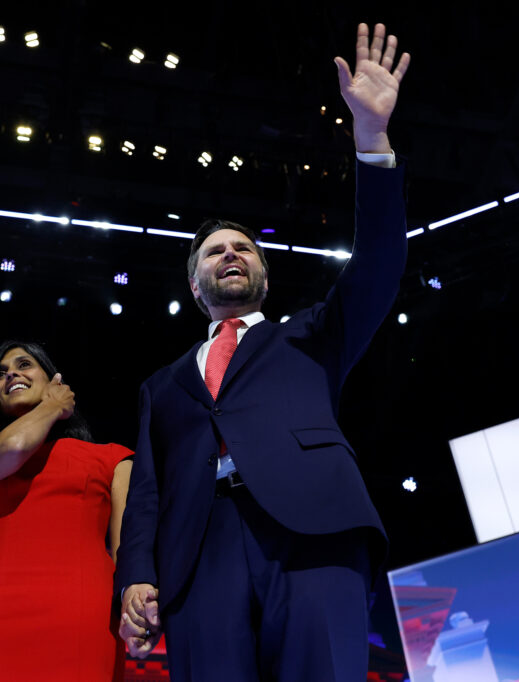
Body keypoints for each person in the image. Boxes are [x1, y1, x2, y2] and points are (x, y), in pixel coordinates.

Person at [114, 22, 411, 682]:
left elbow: (381, 262)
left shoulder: (310, 334)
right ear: (195, 286)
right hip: (199, 552)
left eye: (244, 247)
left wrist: (371, 138)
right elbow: (148, 493)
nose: (231, 254)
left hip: (314, 532)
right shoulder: (162, 385)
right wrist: (135, 575)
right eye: (214, 251)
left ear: (265, 277)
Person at [0, 341, 133, 682]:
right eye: (0, 374)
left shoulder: (112, 459)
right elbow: (14, 447)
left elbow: (128, 550)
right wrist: (53, 406)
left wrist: (135, 609)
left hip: (82, 613)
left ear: (54, 379)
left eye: (24, 365)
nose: (11, 374)